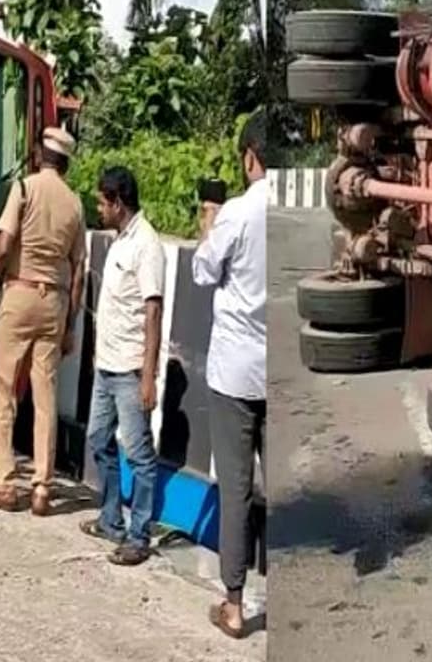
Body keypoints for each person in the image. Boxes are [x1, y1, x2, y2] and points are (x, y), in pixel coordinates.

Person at [0, 127, 85, 516]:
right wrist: (69, 322)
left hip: (19, 295)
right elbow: (79, 269)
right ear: (66, 162)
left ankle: (4, 484)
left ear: (39, 155)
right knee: (45, 397)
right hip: (55, 302)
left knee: (4, 390)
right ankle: (42, 488)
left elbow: (4, 245)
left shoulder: (24, 188)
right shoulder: (75, 204)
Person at [194, 111, 268, 639]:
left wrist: (207, 229)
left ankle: (236, 605)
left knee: (236, 490)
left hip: (235, 373)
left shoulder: (237, 214)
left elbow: (202, 271)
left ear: (249, 158)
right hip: (282, 371)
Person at [79, 166, 165, 566]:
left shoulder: (146, 245)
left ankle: (139, 534)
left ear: (118, 202)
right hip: (106, 366)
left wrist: (148, 375)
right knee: (98, 439)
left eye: (101, 201)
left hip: (130, 370)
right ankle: (111, 518)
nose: (98, 208)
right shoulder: (119, 242)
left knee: (139, 454)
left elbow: (152, 310)